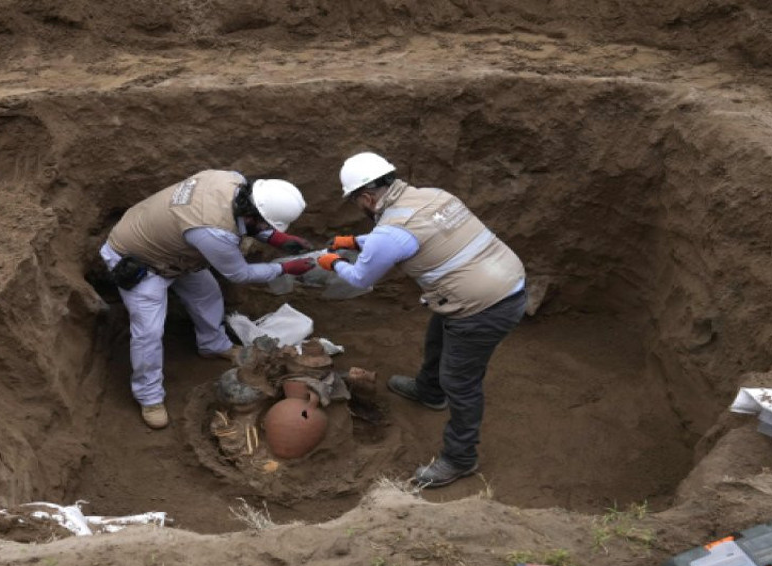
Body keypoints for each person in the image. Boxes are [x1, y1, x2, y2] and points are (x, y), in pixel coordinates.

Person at [318, 152, 528, 488]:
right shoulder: (433, 196)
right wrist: (356, 241)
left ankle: (460, 459)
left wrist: (333, 262)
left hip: (484, 307)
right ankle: (429, 391)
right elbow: (412, 235)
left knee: (461, 382)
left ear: (367, 197)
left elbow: (360, 277)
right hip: (504, 278)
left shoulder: (391, 231)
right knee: (438, 333)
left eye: (356, 201)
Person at [99, 170, 316, 429]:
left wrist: (281, 240)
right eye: (268, 225)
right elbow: (240, 274)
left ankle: (213, 344)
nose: (268, 230)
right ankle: (149, 396)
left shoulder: (233, 180)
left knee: (207, 294)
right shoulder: (213, 233)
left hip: (174, 246)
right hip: (139, 259)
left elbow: (248, 223)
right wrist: (286, 268)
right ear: (254, 213)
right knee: (149, 332)